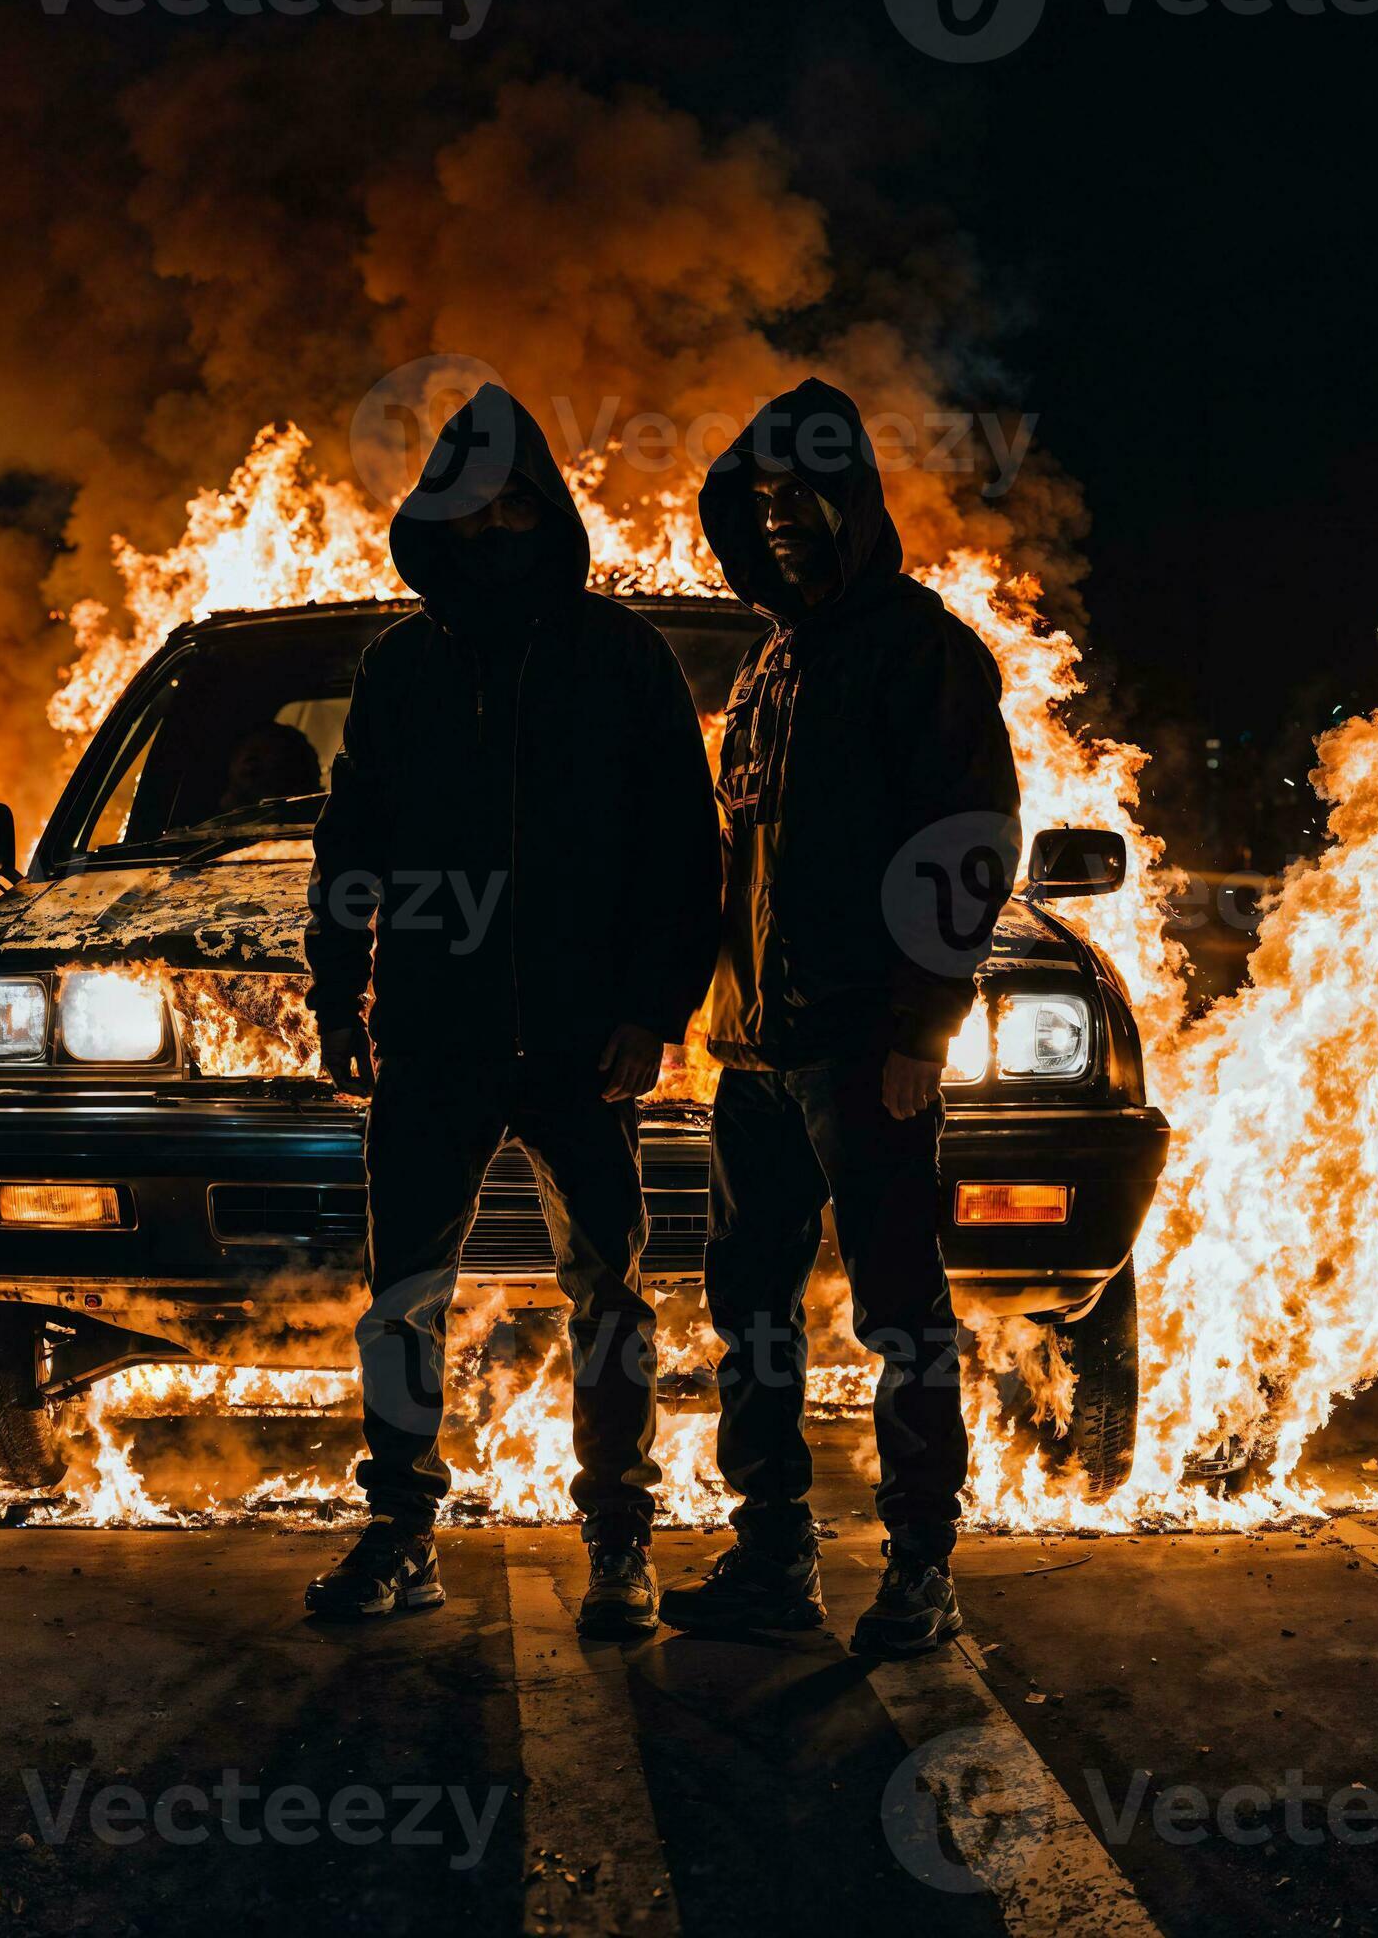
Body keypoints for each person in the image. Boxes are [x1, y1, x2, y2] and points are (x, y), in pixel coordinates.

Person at [300, 383, 721, 1636]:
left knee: (609, 1291)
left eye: (515, 504)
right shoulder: (402, 667)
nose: (493, 529)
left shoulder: (622, 658)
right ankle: (401, 1531)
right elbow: (350, 843)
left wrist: (653, 1009)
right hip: (434, 1032)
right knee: (404, 1293)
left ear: (550, 510)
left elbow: (681, 853)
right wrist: (340, 989)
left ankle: (619, 1539)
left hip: (585, 1039)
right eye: (469, 508)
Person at [660, 378, 1019, 1657]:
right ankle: (775, 1557)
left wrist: (927, 1026)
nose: (783, 518)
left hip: (867, 1044)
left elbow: (971, 843)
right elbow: (735, 866)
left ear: (856, 500)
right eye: (762, 499)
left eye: (807, 493)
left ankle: (922, 1568)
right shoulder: (769, 667)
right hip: (753, 1053)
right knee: (749, 1306)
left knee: (898, 1314)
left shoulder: (916, 649)